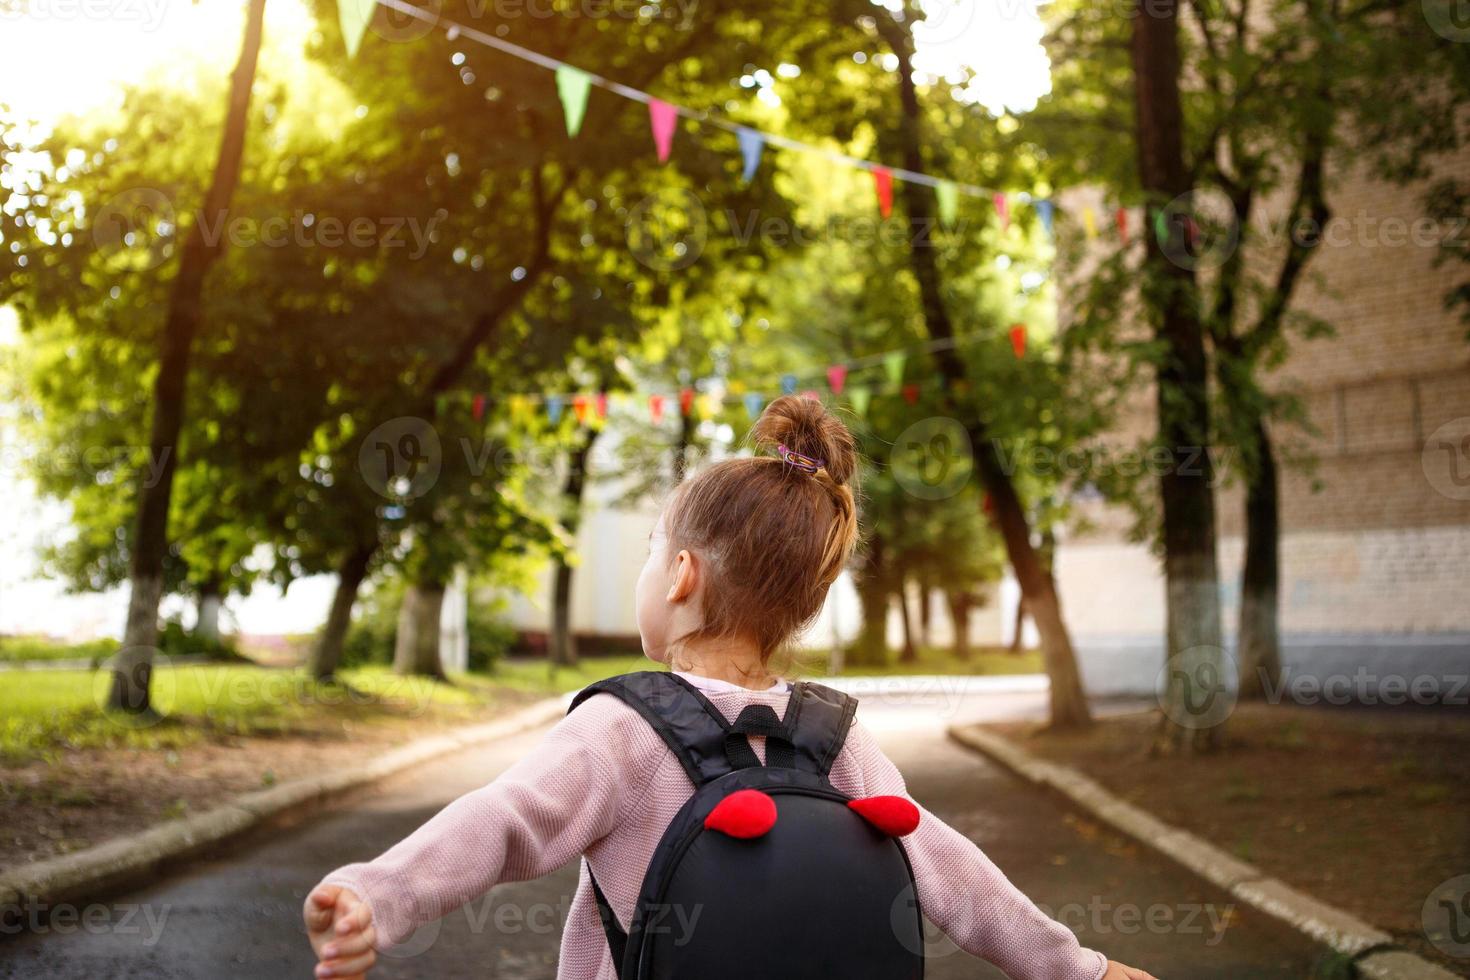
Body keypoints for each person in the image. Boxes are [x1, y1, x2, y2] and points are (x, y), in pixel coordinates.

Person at [304, 395, 1157, 980]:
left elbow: (502, 824)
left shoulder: (623, 730)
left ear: (679, 575)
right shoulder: (834, 738)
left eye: (648, 551)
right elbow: (952, 874)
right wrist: (1074, 967)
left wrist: (378, 896)